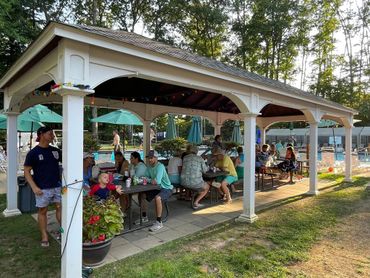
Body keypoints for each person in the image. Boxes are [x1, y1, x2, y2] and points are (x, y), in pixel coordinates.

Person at [24, 126, 62, 247]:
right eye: (50, 133)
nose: (53, 136)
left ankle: (63, 231)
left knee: (60, 207)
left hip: (57, 186)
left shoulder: (55, 151)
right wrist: (34, 187)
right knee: (42, 211)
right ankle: (44, 235)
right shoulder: (33, 153)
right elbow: (26, 171)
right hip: (42, 188)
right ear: (41, 134)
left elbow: (67, 161)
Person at [137, 150, 173, 232]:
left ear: (156, 158)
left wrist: (148, 179)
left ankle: (159, 222)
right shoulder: (149, 167)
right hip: (156, 188)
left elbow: (157, 181)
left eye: (151, 158)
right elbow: (144, 177)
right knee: (142, 195)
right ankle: (144, 217)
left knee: (158, 198)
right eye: (149, 158)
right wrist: (149, 179)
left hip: (166, 188)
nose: (150, 160)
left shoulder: (160, 166)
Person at [181, 145, 210, 209]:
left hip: (183, 182)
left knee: (199, 185)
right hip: (194, 183)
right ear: (196, 151)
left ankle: (196, 194)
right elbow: (205, 171)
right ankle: (196, 202)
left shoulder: (185, 157)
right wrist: (207, 166)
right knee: (207, 186)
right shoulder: (199, 158)